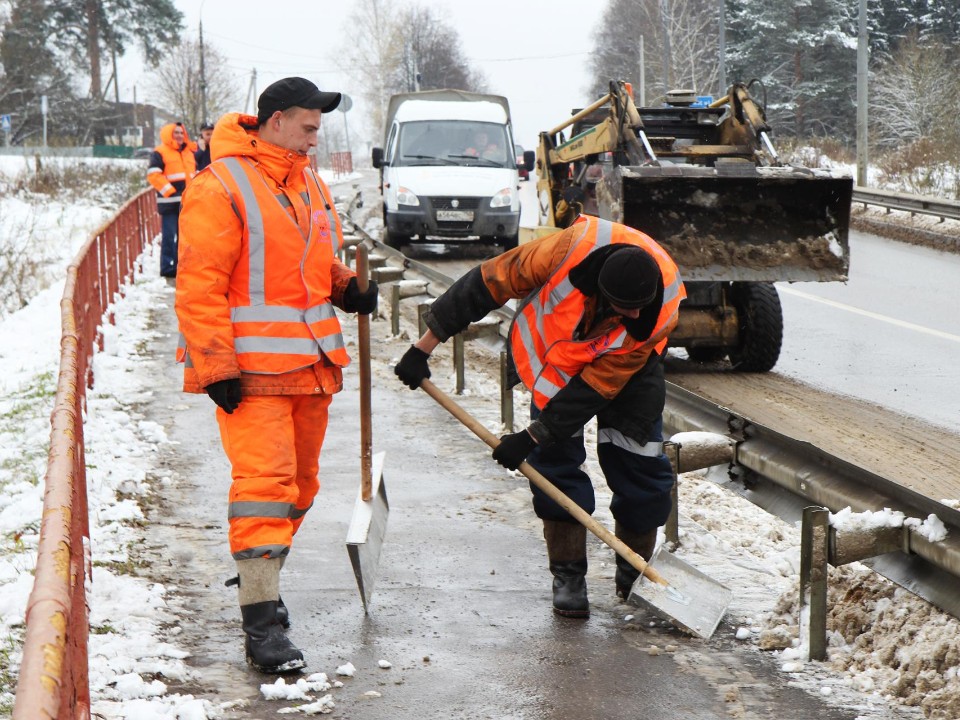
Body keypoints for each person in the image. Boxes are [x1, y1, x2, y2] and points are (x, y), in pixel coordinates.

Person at [174, 77, 379, 674]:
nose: (317, 139)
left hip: (312, 366)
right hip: (253, 371)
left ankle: (260, 581)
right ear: (276, 120)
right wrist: (214, 365)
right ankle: (261, 624)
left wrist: (347, 288)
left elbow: (314, 263)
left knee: (301, 489)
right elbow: (200, 284)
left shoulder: (308, 182)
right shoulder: (221, 186)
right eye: (309, 127)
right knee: (264, 487)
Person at [394, 212, 686, 619]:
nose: (634, 316)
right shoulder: (564, 251)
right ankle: (568, 575)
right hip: (556, 365)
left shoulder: (657, 313)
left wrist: (529, 437)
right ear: (600, 292)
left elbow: (596, 388)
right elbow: (487, 284)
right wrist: (424, 347)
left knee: (638, 462)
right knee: (555, 467)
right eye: (625, 308)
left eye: (640, 308)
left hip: (628, 370)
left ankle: (633, 572)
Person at [147, 122, 196, 278]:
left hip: (187, 202)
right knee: (169, 236)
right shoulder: (160, 152)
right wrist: (170, 192)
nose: (180, 135)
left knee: (185, 237)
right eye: (176, 133)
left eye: (181, 133)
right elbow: (153, 175)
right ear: (169, 134)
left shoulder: (189, 153)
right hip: (169, 203)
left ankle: (180, 265)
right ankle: (167, 268)